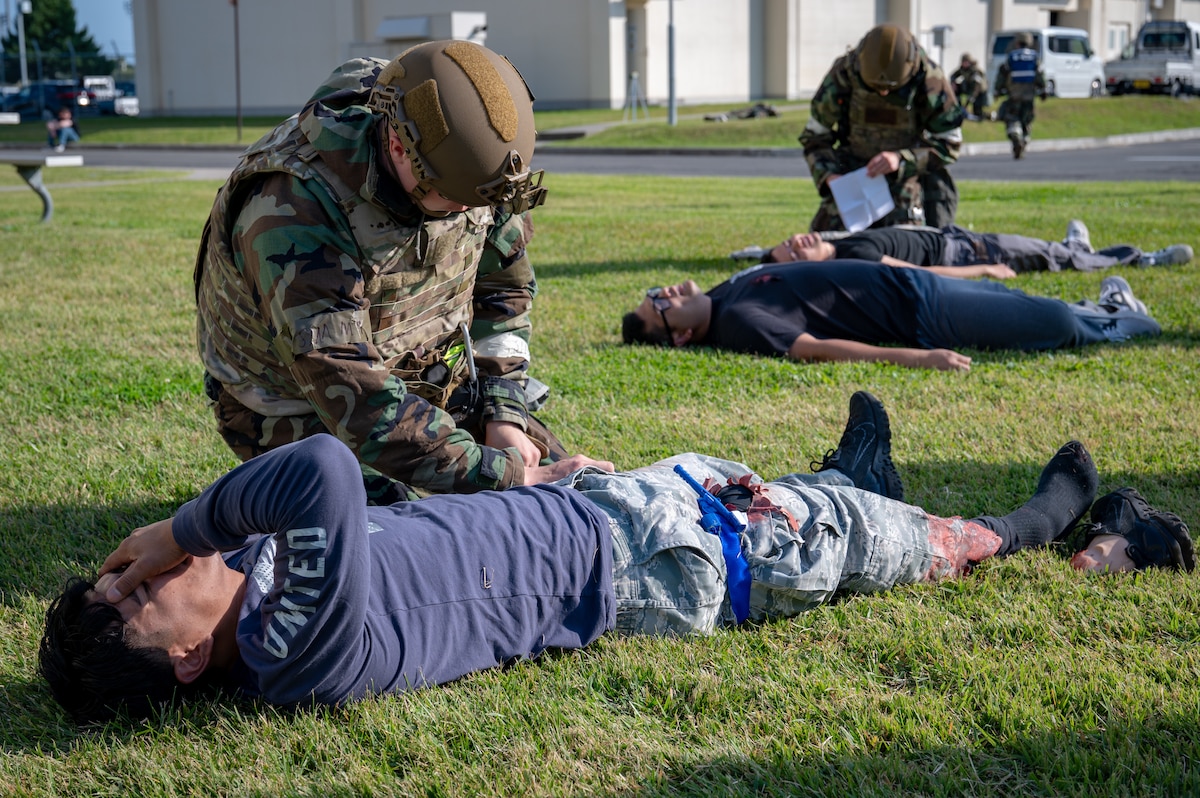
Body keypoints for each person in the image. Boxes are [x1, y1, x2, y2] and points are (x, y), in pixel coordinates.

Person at [38, 392, 1193, 724]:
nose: (147, 570)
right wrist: (183, 526)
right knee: (926, 550)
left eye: (127, 568)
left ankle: (853, 481)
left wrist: (528, 470)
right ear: (188, 663)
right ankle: (1086, 529)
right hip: (668, 563)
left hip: (612, 512)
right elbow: (327, 474)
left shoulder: (270, 588)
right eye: (138, 595)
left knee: (807, 502)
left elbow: (381, 506)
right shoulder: (294, 653)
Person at [193, 40, 596, 504]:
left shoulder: (470, 170)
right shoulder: (293, 208)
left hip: (423, 377)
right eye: (455, 200)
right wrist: (498, 475)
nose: (468, 212)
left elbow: (503, 293)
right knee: (402, 543)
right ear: (399, 147)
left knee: (569, 498)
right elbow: (348, 387)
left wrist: (503, 413)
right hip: (298, 408)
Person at [620, 263, 1162, 372]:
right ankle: (1118, 321)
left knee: (1017, 301)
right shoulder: (742, 324)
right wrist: (919, 358)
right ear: (682, 336)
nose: (664, 292)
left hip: (913, 282)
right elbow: (817, 348)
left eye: (653, 293)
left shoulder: (724, 291)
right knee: (1051, 323)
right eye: (659, 306)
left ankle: (1101, 308)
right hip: (922, 314)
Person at [799, 24, 965, 232]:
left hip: (906, 176)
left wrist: (901, 160)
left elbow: (949, 144)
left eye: (891, 88)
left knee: (906, 243)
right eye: (875, 89)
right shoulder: (844, 74)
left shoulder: (931, 80)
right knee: (830, 245)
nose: (884, 94)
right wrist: (829, 177)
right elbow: (814, 138)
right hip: (854, 175)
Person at [747, 220, 1194, 276]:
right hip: (962, 255)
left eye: (789, 238)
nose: (798, 241)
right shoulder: (852, 260)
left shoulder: (839, 240)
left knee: (1041, 250)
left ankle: (1075, 246)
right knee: (1043, 256)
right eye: (792, 251)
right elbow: (916, 273)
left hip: (954, 236)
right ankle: (1142, 257)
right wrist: (981, 271)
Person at [995, 32, 1047, 159]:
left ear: (1017, 42)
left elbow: (1003, 73)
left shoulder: (1012, 57)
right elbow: (1039, 74)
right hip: (1029, 96)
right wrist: (1043, 90)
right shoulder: (1034, 57)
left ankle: (1016, 137)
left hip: (1014, 95)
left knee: (1012, 118)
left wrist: (998, 90)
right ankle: (1024, 140)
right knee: (1027, 120)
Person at [950, 53, 989, 120]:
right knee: (957, 88)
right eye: (963, 62)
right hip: (969, 87)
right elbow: (953, 76)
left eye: (966, 62)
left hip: (979, 90)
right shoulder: (962, 69)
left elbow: (977, 86)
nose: (964, 64)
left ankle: (982, 115)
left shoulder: (975, 71)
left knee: (977, 111)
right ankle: (957, 107)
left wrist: (970, 100)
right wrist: (953, 83)